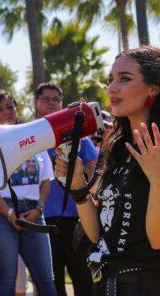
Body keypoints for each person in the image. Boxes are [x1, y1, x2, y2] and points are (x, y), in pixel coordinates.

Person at [55, 46, 160, 295]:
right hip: (106, 285)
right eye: (111, 79)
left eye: (125, 79)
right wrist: (79, 187)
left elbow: (159, 239)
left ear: (153, 88)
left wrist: (158, 180)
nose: (112, 87)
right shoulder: (116, 149)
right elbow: (97, 234)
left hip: (150, 287)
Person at [0, 91, 56, 296]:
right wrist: (9, 213)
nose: (7, 112)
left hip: (33, 214)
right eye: (0, 109)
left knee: (45, 278)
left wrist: (39, 209)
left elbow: (46, 181)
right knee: (7, 279)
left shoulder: (35, 139)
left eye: (11, 106)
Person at [33, 82, 96, 296]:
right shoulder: (30, 135)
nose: (51, 103)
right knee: (51, 282)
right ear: (35, 102)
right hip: (41, 219)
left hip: (76, 217)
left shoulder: (75, 131)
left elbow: (94, 167)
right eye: (46, 99)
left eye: (55, 99)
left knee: (83, 278)